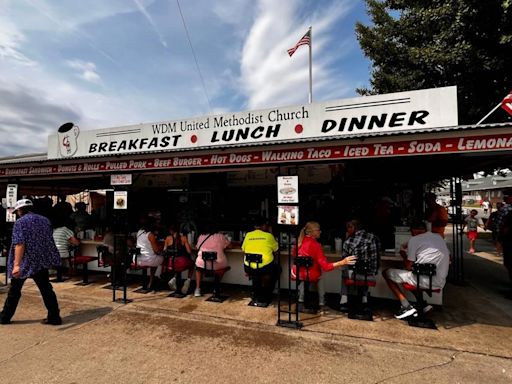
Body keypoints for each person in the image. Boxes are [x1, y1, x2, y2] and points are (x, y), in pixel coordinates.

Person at [0, 199, 62, 325]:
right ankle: (54, 316)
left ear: (20, 210)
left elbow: (19, 244)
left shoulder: (20, 222)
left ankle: (4, 317)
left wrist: (16, 265)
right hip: (40, 261)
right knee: (46, 289)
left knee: (14, 291)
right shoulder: (45, 220)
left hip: (25, 261)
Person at [383, 219, 450, 319]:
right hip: (439, 281)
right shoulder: (438, 237)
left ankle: (406, 306)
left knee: (386, 273)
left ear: (412, 231)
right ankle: (423, 305)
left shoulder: (414, 240)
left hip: (422, 280)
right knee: (408, 276)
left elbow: (408, 266)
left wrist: (403, 254)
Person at [292, 221, 356, 309]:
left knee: (307, 274)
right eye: (318, 230)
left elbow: (294, 255)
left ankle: (301, 299)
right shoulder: (316, 245)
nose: (320, 232)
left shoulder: (298, 242)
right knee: (320, 274)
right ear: (311, 232)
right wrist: (342, 262)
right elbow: (326, 267)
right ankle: (322, 301)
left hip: (298, 273)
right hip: (310, 275)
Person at [339, 219, 381, 312]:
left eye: (349, 227)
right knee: (364, 271)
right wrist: (374, 270)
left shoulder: (349, 241)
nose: (347, 230)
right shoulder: (373, 237)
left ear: (354, 228)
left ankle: (344, 299)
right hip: (371, 276)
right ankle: (364, 298)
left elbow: (345, 259)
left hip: (354, 276)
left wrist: (346, 239)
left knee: (344, 270)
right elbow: (377, 255)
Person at [241, 217, 279, 305]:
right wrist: (271, 232)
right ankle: (266, 295)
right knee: (277, 269)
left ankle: (256, 295)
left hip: (249, 267)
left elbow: (243, 249)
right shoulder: (269, 236)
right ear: (264, 226)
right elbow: (276, 249)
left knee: (256, 274)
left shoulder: (248, 235)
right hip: (265, 268)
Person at [194, 221, 231, 297]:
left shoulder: (201, 236)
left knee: (198, 268)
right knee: (223, 267)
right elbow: (228, 246)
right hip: (217, 264)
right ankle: (215, 287)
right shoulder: (220, 236)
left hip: (202, 264)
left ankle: (197, 289)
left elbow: (197, 247)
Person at [163, 224, 194, 295]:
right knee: (192, 264)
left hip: (171, 263)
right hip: (181, 262)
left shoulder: (167, 238)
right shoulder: (183, 238)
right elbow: (189, 251)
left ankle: (174, 278)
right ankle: (188, 281)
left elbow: (165, 250)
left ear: (170, 231)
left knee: (177, 267)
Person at [136, 217, 164, 291]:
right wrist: (162, 246)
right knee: (161, 258)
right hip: (148, 259)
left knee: (154, 259)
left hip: (138, 258)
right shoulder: (150, 235)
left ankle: (150, 281)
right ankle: (153, 280)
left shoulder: (139, 232)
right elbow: (156, 250)